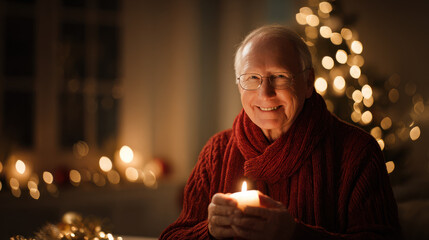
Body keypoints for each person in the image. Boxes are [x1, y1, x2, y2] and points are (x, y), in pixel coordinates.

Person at [160, 25, 402, 239]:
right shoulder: (217, 151)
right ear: (238, 85)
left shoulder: (357, 152)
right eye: (252, 78)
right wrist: (209, 231)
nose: (265, 93)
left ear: (309, 83)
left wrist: (293, 235)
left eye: (279, 77)